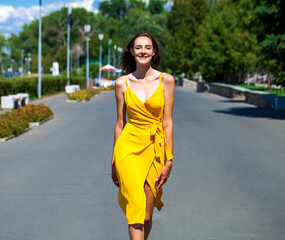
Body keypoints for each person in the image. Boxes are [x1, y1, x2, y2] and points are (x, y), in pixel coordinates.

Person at [111, 32, 175, 240]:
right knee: (135, 206)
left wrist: (169, 160)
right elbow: (120, 124)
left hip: (155, 148)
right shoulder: (122, 83)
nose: (143, 51)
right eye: (138, 47)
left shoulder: (166, 80)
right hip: (128, 148)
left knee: (147, 212)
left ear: (154, 51)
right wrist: (113, 161)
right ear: (131, 51)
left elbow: (167, 122)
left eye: (147, 47)